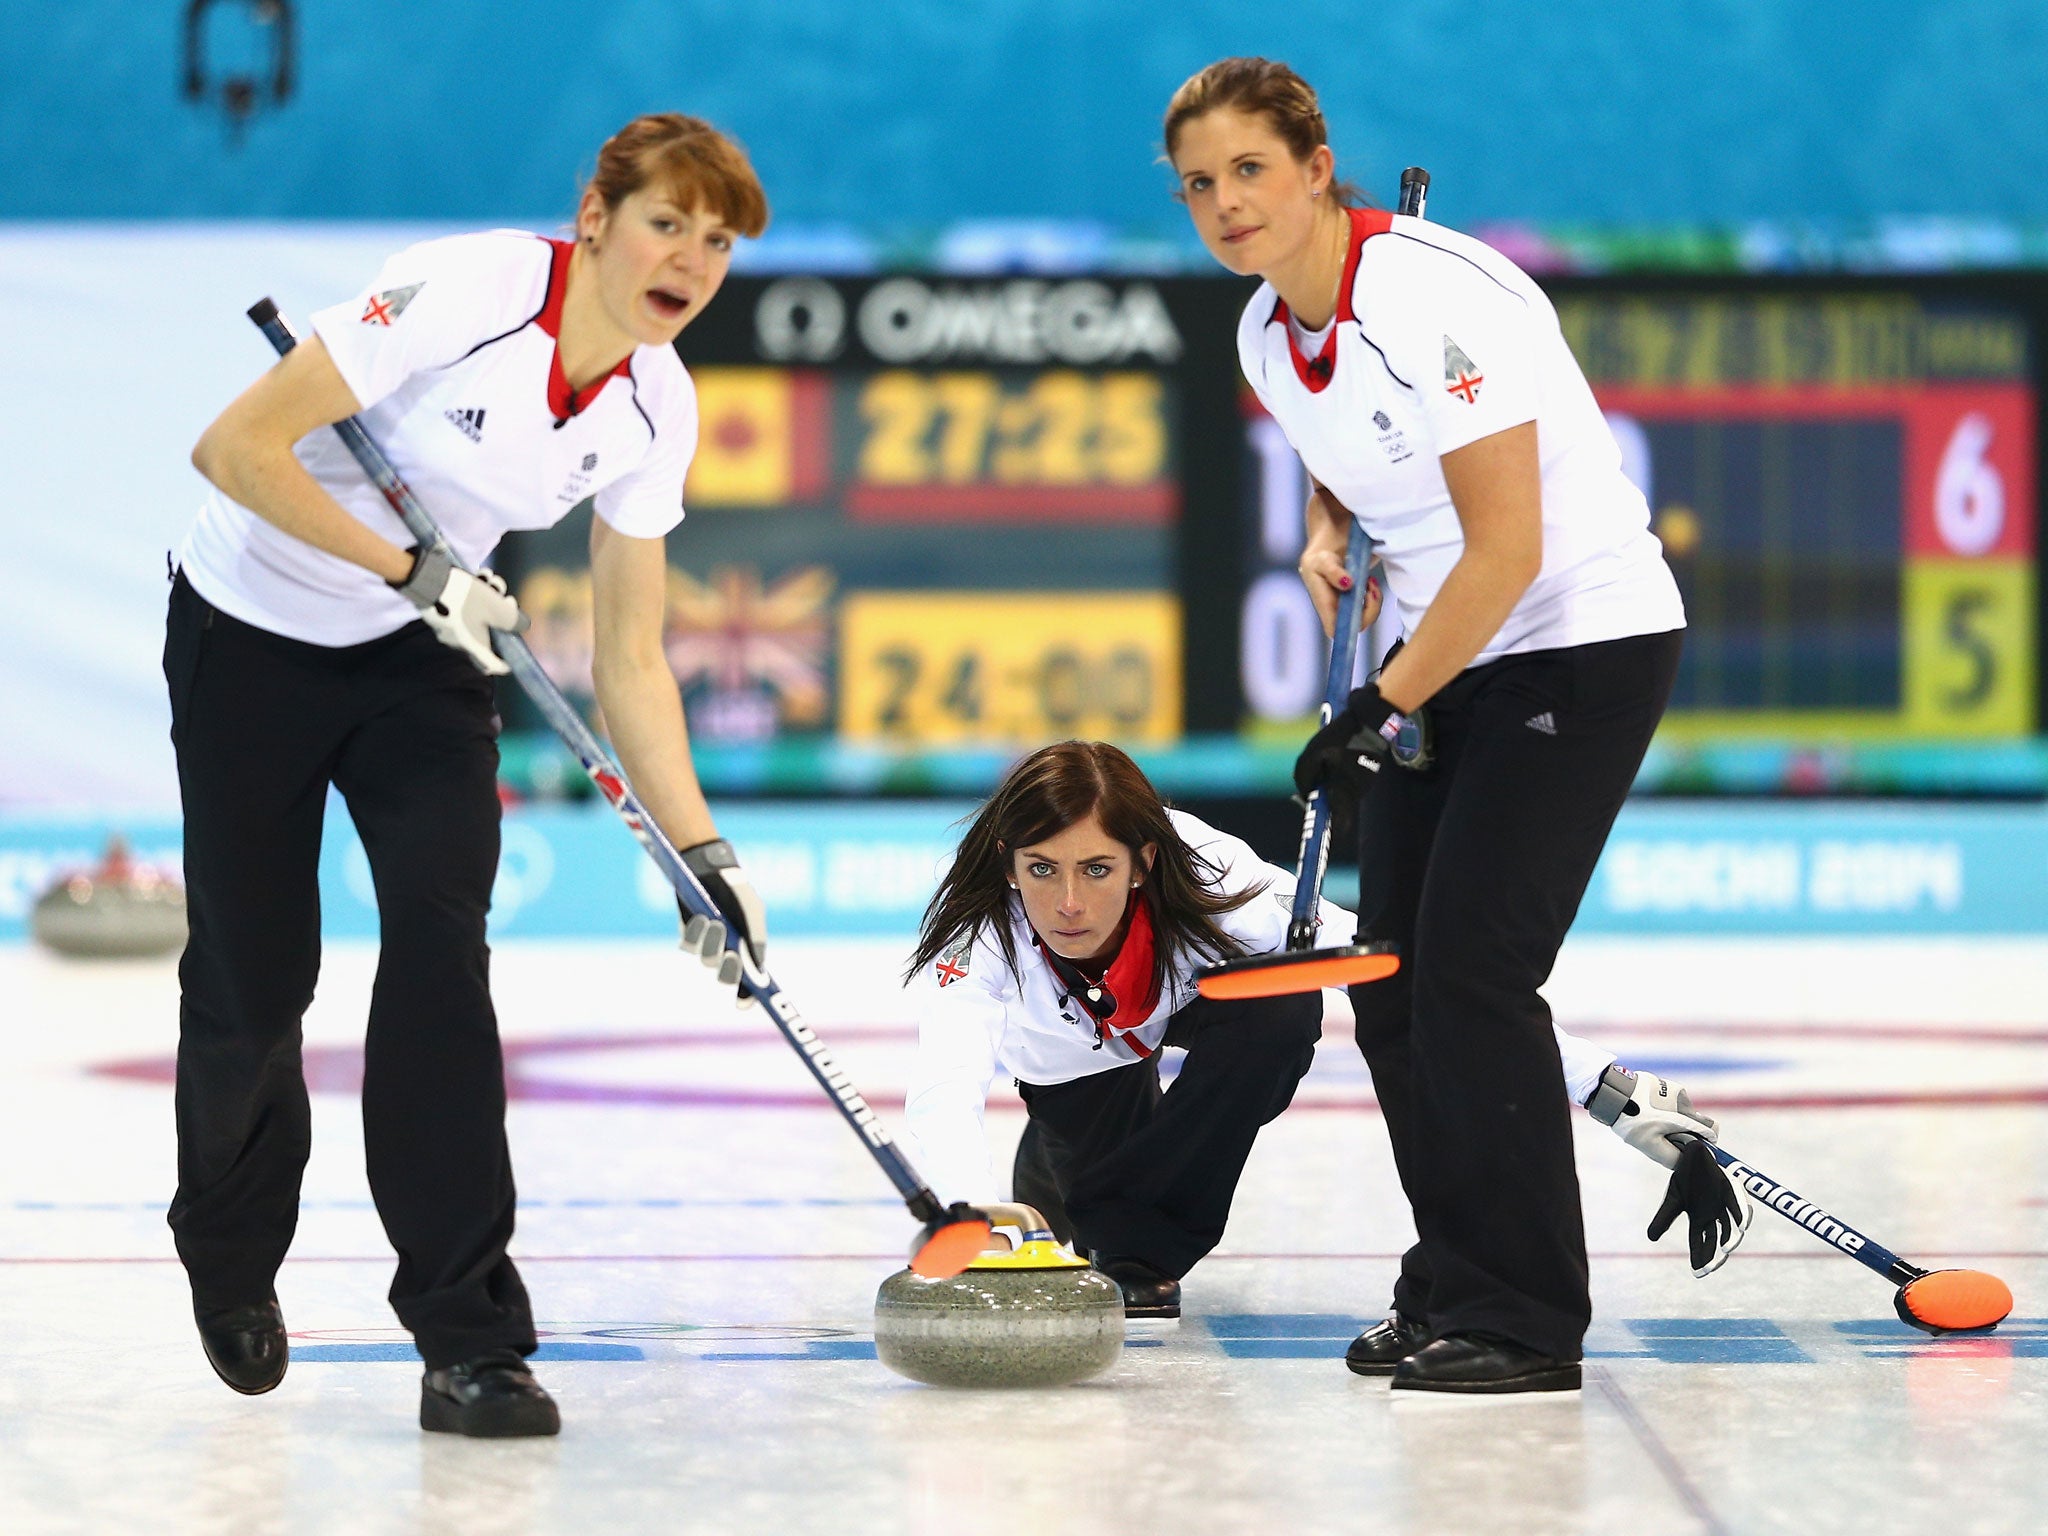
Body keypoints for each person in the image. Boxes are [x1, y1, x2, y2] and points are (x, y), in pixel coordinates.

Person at [165, 113, 770, 1437]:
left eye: (716, 242)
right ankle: (227, 1247)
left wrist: (699, 854)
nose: (689, 259)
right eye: (667, 221)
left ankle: (469, 1336)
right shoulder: (474, 290)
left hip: (419, 664)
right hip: (250, 634)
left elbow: (630, 656)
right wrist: (415, 571)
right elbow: (235, 451)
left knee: (443, 960)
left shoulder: (657, 402)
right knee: (254, 980)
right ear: (597, 217)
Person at [1165, 58, 1709, 1394]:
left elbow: (1511, 543)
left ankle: (1525, 1317)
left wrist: (1380, 704)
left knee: (1471, 976)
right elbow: (1345, 430)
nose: (1226, 203)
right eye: (1197, 184)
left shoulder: (1428, 296)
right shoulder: (1259, 332)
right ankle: (1454, 1280)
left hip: (1573, 642)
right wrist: (1326, 525)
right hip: (1443, 650)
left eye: (1249, 169)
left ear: (1312, 164)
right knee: (1394, 998)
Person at [898, 742, 1746, 1325]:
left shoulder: (1218, 886)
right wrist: (965, 1207)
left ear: (1143, 862)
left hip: (1193, 1001)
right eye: (1041, 870)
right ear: (1010, 860)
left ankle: (1139, 1252)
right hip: (1070, 1062)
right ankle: (1062, 1162)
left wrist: (1609, 1093)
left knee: (1280, 1005)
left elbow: (1411, 983)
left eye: (1097, 869)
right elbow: (944, 1086)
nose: (1069, 904)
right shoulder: (982, 938)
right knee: (1073, 1165)